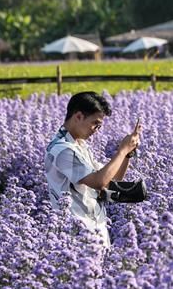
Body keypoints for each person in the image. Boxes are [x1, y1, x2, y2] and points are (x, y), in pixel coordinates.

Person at [45, 92, 141, 247]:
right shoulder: (62, 150)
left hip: (94, 231)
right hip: (77, 238)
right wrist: (122, 150)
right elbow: (99, 182)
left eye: (100, 125)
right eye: (95, 123)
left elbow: (112, 180)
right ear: (78, 116)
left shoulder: (80, 145)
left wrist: (128, 153)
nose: (97, 129)